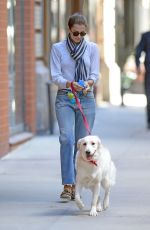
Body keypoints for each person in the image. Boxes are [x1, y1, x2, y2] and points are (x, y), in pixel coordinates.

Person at [50, 13, 100, 200]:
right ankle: (68, 185)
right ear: (68, 30)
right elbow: (55, 76)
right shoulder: (58, 49)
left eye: (82, 34)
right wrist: (70, 84)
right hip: (65, 97)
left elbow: (95, 73)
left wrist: (88, 82)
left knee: (81, 143)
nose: (79, 37)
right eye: (75, 33)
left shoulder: (92, 49)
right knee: (66, 138)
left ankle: (77, 182)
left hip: (86, 98)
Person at [135, 31, 150, 129]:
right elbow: (138, 52)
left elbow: (138, 52)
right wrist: (138, 66)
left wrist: (138, 66)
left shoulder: (146, 36)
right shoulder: (146, 36)